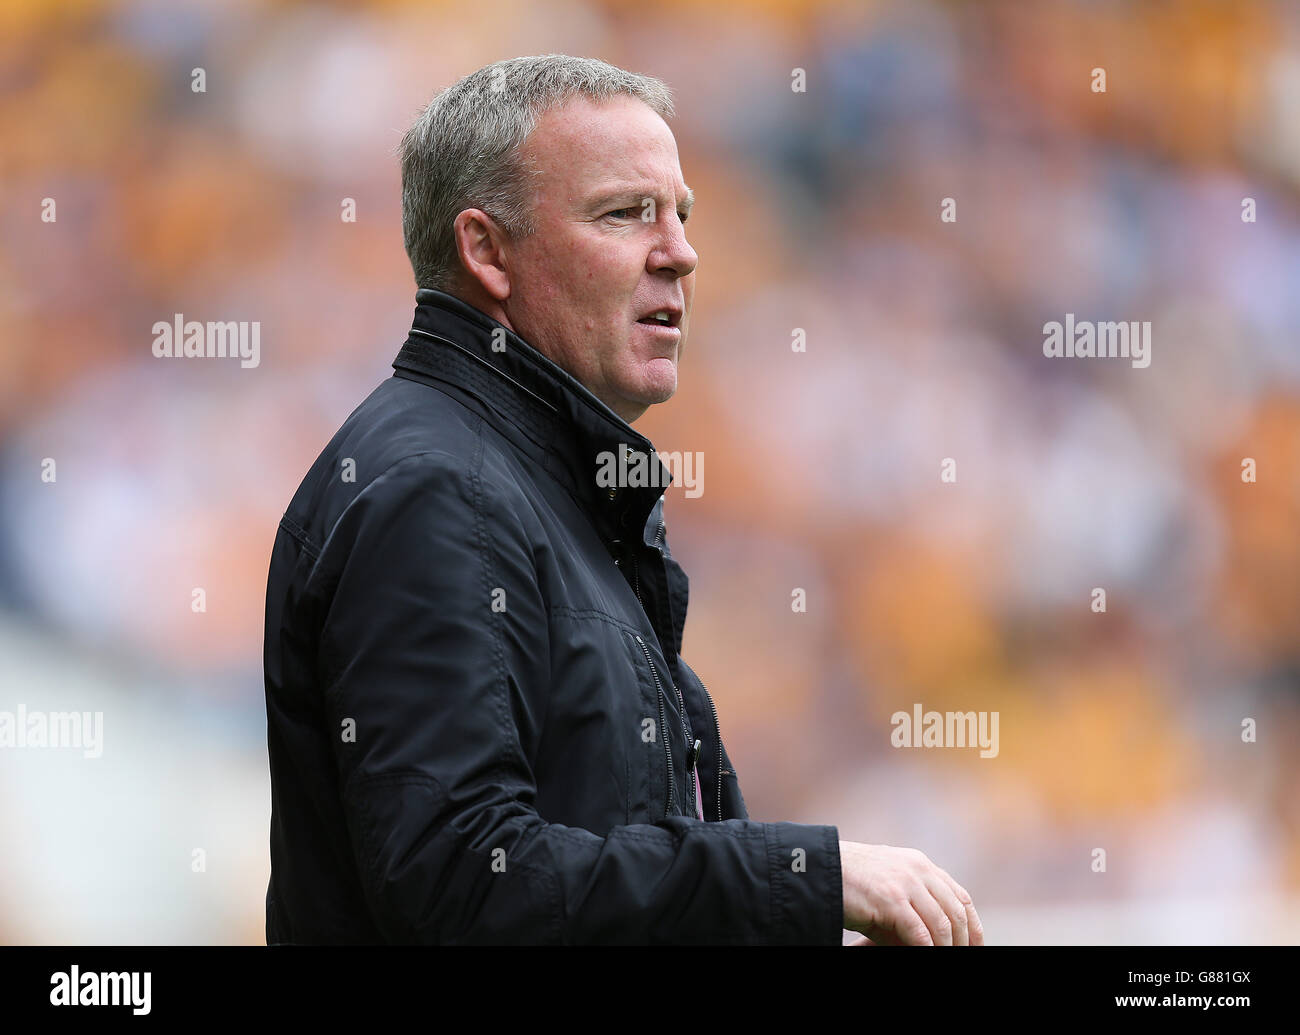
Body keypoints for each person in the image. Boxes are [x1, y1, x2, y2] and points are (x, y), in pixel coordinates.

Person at [262, 53, 983, 946]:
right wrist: (807, 876)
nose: (681, 252)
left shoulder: (543, 490)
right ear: (486, 250)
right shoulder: (437, 492)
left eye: (679, 213)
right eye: (624, 213)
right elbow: (461, 886)